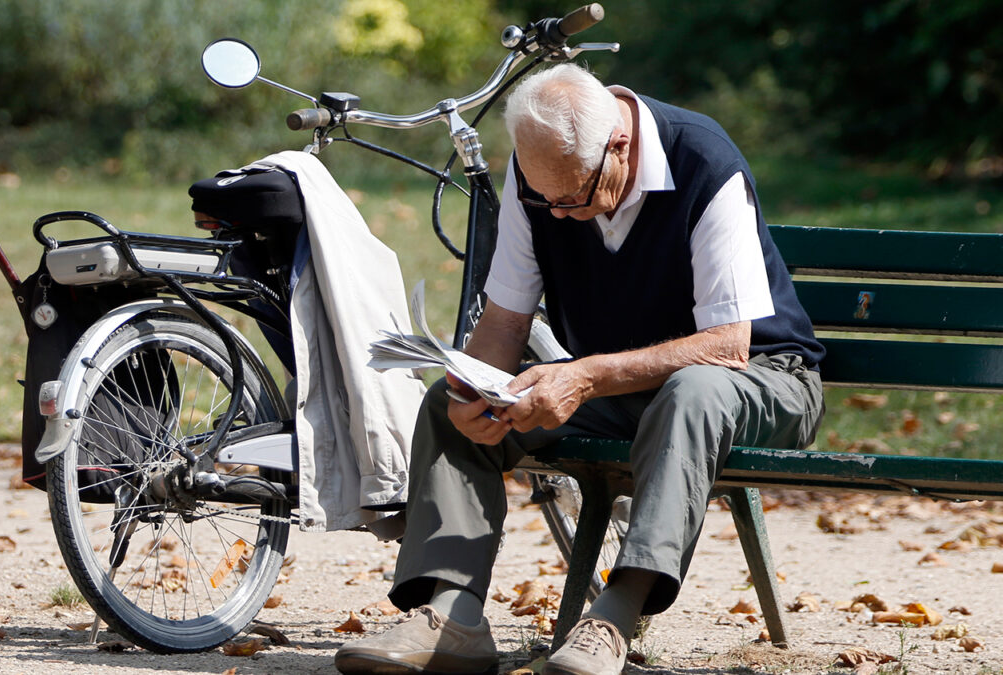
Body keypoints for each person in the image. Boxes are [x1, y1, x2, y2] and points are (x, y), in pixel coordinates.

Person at [334, 63, 826, 675]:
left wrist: (585, 375)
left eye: (574, 197)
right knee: (445, 403)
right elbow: (507, 322)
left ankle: (613, 620)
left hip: (762, 380)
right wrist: (473, 390)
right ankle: (452, 615)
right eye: (548, 200)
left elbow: (727, 346)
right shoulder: (538, 175)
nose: (561, 215)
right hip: (628, 387)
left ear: (619, 144)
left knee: (693, 389)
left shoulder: (703, 161)